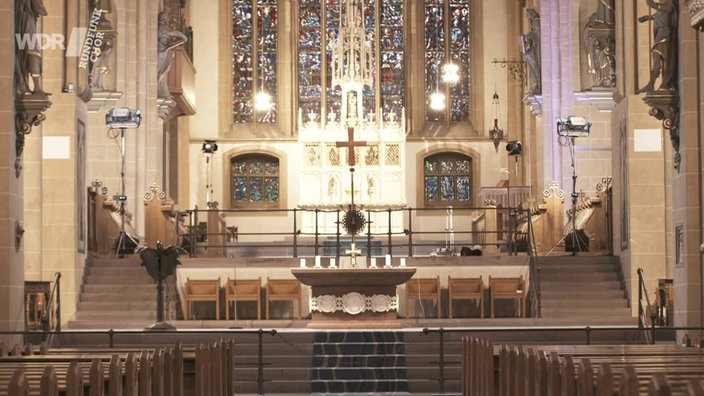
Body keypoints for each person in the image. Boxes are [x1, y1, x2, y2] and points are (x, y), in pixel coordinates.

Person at [636, 0, 677, 93]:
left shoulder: (669, 4)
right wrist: (648, 17)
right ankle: (652, 83)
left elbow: (667, 9)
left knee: (660, 56)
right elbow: (658, 15)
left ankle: (662, 83)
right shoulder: (662, 7)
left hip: (665, 34)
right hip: (660, 34)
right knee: (658, 57)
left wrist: (653, 5)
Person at [15, 0, 48, 95]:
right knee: (32, 51)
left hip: (23, 19)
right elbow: (40, 9)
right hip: (25, 20)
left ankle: (24, 85)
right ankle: (33, 86)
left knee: (25, 52)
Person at [157, 11, 188, 98]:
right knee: (162, 70)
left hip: (164, 48)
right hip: (162, 50)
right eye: (166, 18)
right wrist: (183, 36)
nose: (167, 20)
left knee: (164, 70)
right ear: (163, 19)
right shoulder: (162, 28)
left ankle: (163, 91)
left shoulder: (162, 28)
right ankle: (162, 91)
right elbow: (172, 32)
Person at [520, 11, 541, 96]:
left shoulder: (535, 28)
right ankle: (536, 83)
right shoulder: (534, 30)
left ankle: (537, 83)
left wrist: (525, 41)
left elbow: (532, 38)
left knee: (533, 63)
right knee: (532, 64)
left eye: (529, 18)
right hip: (535, 52)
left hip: (536, 53)